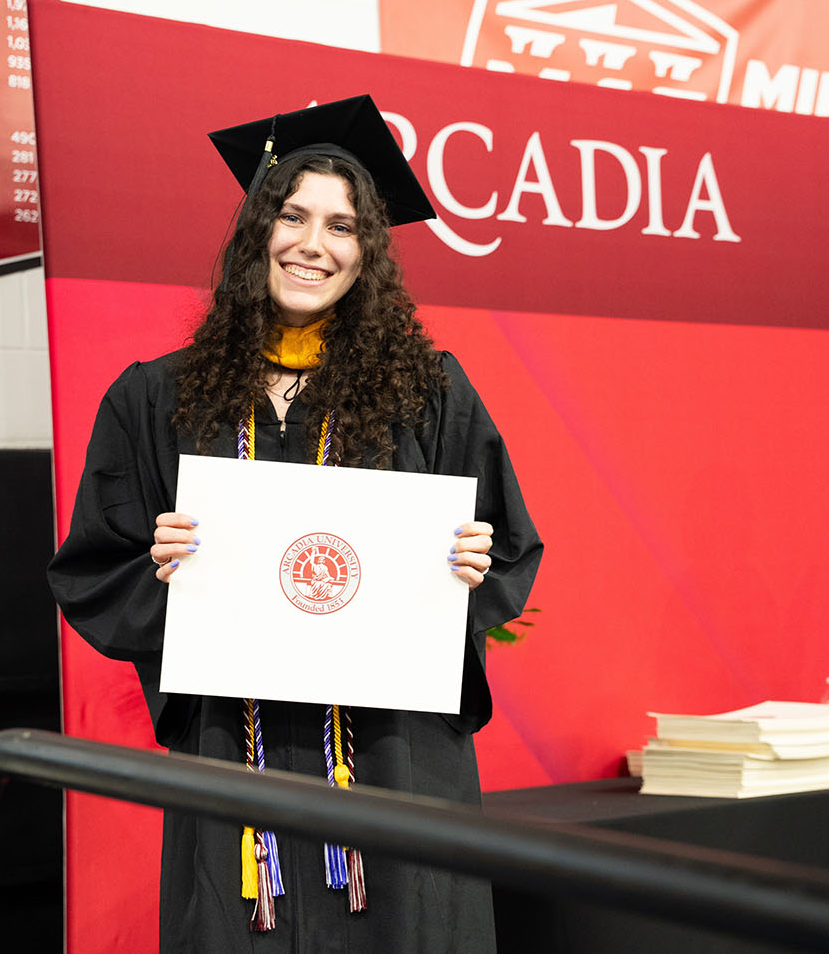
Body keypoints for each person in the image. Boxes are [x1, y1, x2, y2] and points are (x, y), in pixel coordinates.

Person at [48, 95, 543, 952]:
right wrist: (162, 568)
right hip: (236, 754)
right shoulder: (156, 397)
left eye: (343, 227)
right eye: (293, 215)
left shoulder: (430, 390)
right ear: (256, 233)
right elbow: (97, 569)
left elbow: (505, 550)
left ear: (367, 256)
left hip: (394, 758)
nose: (314, 244)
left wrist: (470, 561)